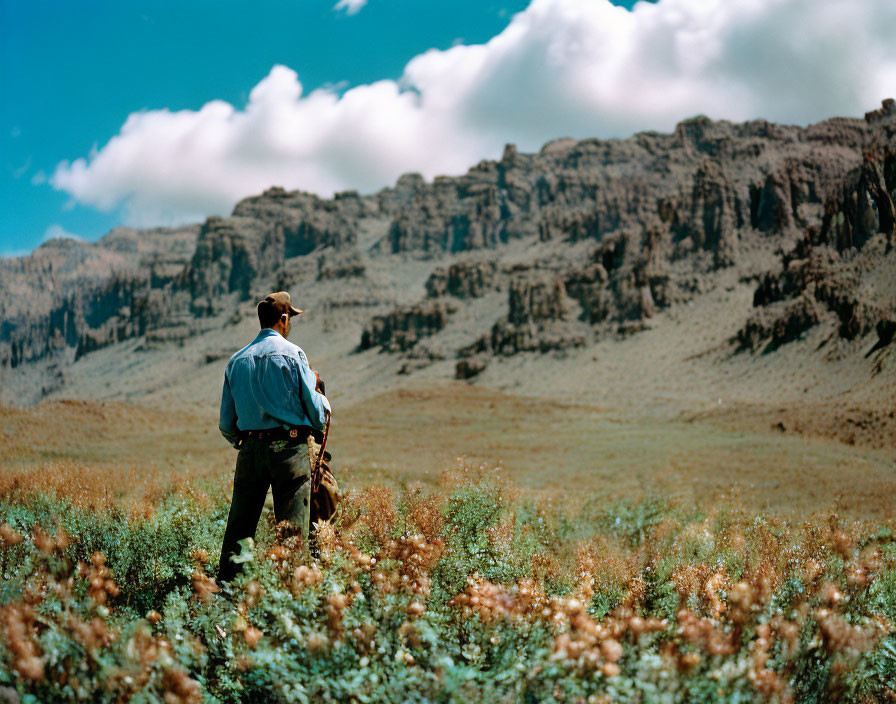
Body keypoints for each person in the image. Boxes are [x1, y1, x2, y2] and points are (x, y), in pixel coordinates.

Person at [217, 291, 331, 582]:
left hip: (250, 451)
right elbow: (317, 414)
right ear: (283, 319)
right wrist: (324, 401)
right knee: (291, 537)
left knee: (238, 533)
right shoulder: (294, 354)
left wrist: (246, 442)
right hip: (289, 451)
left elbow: (227, 424)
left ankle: (227, 598)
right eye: (289, 317)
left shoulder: (236, 361)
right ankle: (290, 598)